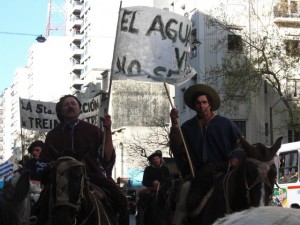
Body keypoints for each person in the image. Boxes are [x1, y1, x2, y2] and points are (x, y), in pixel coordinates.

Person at [38, 94, 129, 225]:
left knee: (121, 200)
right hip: (60, 181)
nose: (70, 106)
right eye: (66, 104)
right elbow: (45, 162)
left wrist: (108, 130)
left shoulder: (93, 131)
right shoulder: (52, 135)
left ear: (79, 109)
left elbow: (107, 157)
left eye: (73, 103)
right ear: (61, 110)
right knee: (40, 205)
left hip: (92, 178)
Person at [169, 84, 243, 224]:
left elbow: (240, 145)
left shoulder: (225, 124)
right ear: (194, 106)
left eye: (204, 102)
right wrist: (174, 123)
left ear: (210, 104)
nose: (201, 106)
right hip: (199, 175)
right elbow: (177, 149)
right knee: (184, 191)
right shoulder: (187, 127)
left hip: (223, 171)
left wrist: (235, 158)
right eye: (198, 103)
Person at [136, 150, 171, 221]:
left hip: (163, 189)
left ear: (160, 159)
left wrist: (160, 184)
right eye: (154, 159)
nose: (156, 160)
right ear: (151, 161)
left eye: (157, 158)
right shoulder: (148, 169)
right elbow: (144, 181)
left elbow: (168, 180)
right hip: (151, 189)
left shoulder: (165, 168)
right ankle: (142, 218)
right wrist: (152, 182)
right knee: (144, 200)